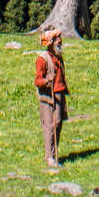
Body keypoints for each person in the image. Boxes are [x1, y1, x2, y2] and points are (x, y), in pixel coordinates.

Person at [33, 28, 68, 170]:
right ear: (51, 43)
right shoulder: (42, 59)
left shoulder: (58, 57)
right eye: (58, 42)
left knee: (58, 123)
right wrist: (47, 81)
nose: (60, 44)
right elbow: (37, 80)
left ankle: (54, 153)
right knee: (49, 126)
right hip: (48, 96)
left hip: (59, 94)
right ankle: (49, 157)